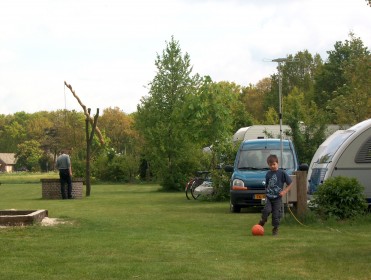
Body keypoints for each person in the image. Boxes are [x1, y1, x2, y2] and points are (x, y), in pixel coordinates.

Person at [258, 154, 292, 236]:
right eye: (270, 165)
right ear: (268, 165)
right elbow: (267, 185)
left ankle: (275, 229)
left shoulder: (282, 173)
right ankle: (262, 221)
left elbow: (290, 183)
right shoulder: (268, 174)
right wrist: (266, 192)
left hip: (277, 198)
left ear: (277, 163)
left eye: (274, 164)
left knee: (276, 215)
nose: (272, 166)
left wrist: (284, 191)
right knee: (266, 210)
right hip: (269, 197)